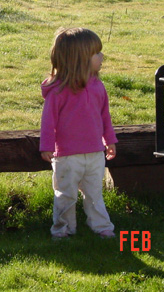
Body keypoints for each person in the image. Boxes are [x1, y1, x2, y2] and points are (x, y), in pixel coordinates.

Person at [39, 27, 118, 239]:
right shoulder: (58, 91)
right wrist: (46, 146)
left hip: (95, 153)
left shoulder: (98, 86)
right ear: (80, 59)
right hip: (66, 156)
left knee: (95, 193)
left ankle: (101, 226)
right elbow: (48, 122)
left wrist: (109, 140)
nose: (102, 56)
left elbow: (105, 116)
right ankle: (63, 229)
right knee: (65, 195)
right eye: (96, 53)